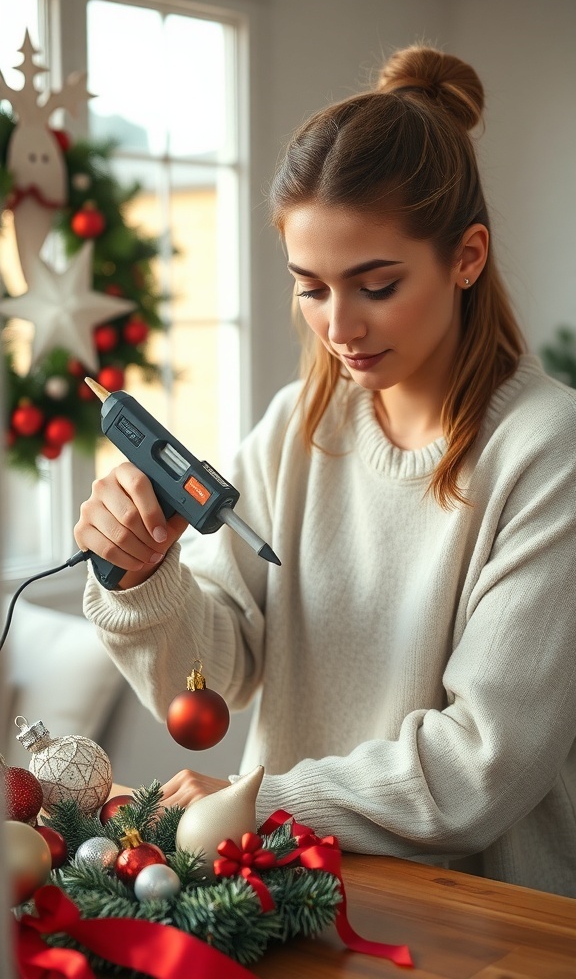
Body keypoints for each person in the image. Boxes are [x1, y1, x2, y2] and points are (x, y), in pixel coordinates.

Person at [75, 44, 576, 898]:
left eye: (375, 285)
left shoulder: (547, 450)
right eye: (311, 287)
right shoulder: (295, 430)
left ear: (467, 256)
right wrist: (143, 577)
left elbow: (478, 768)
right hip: (282, 892)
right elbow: (217, 674)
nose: (338, 327)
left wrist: (262, 800)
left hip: (485, 921)